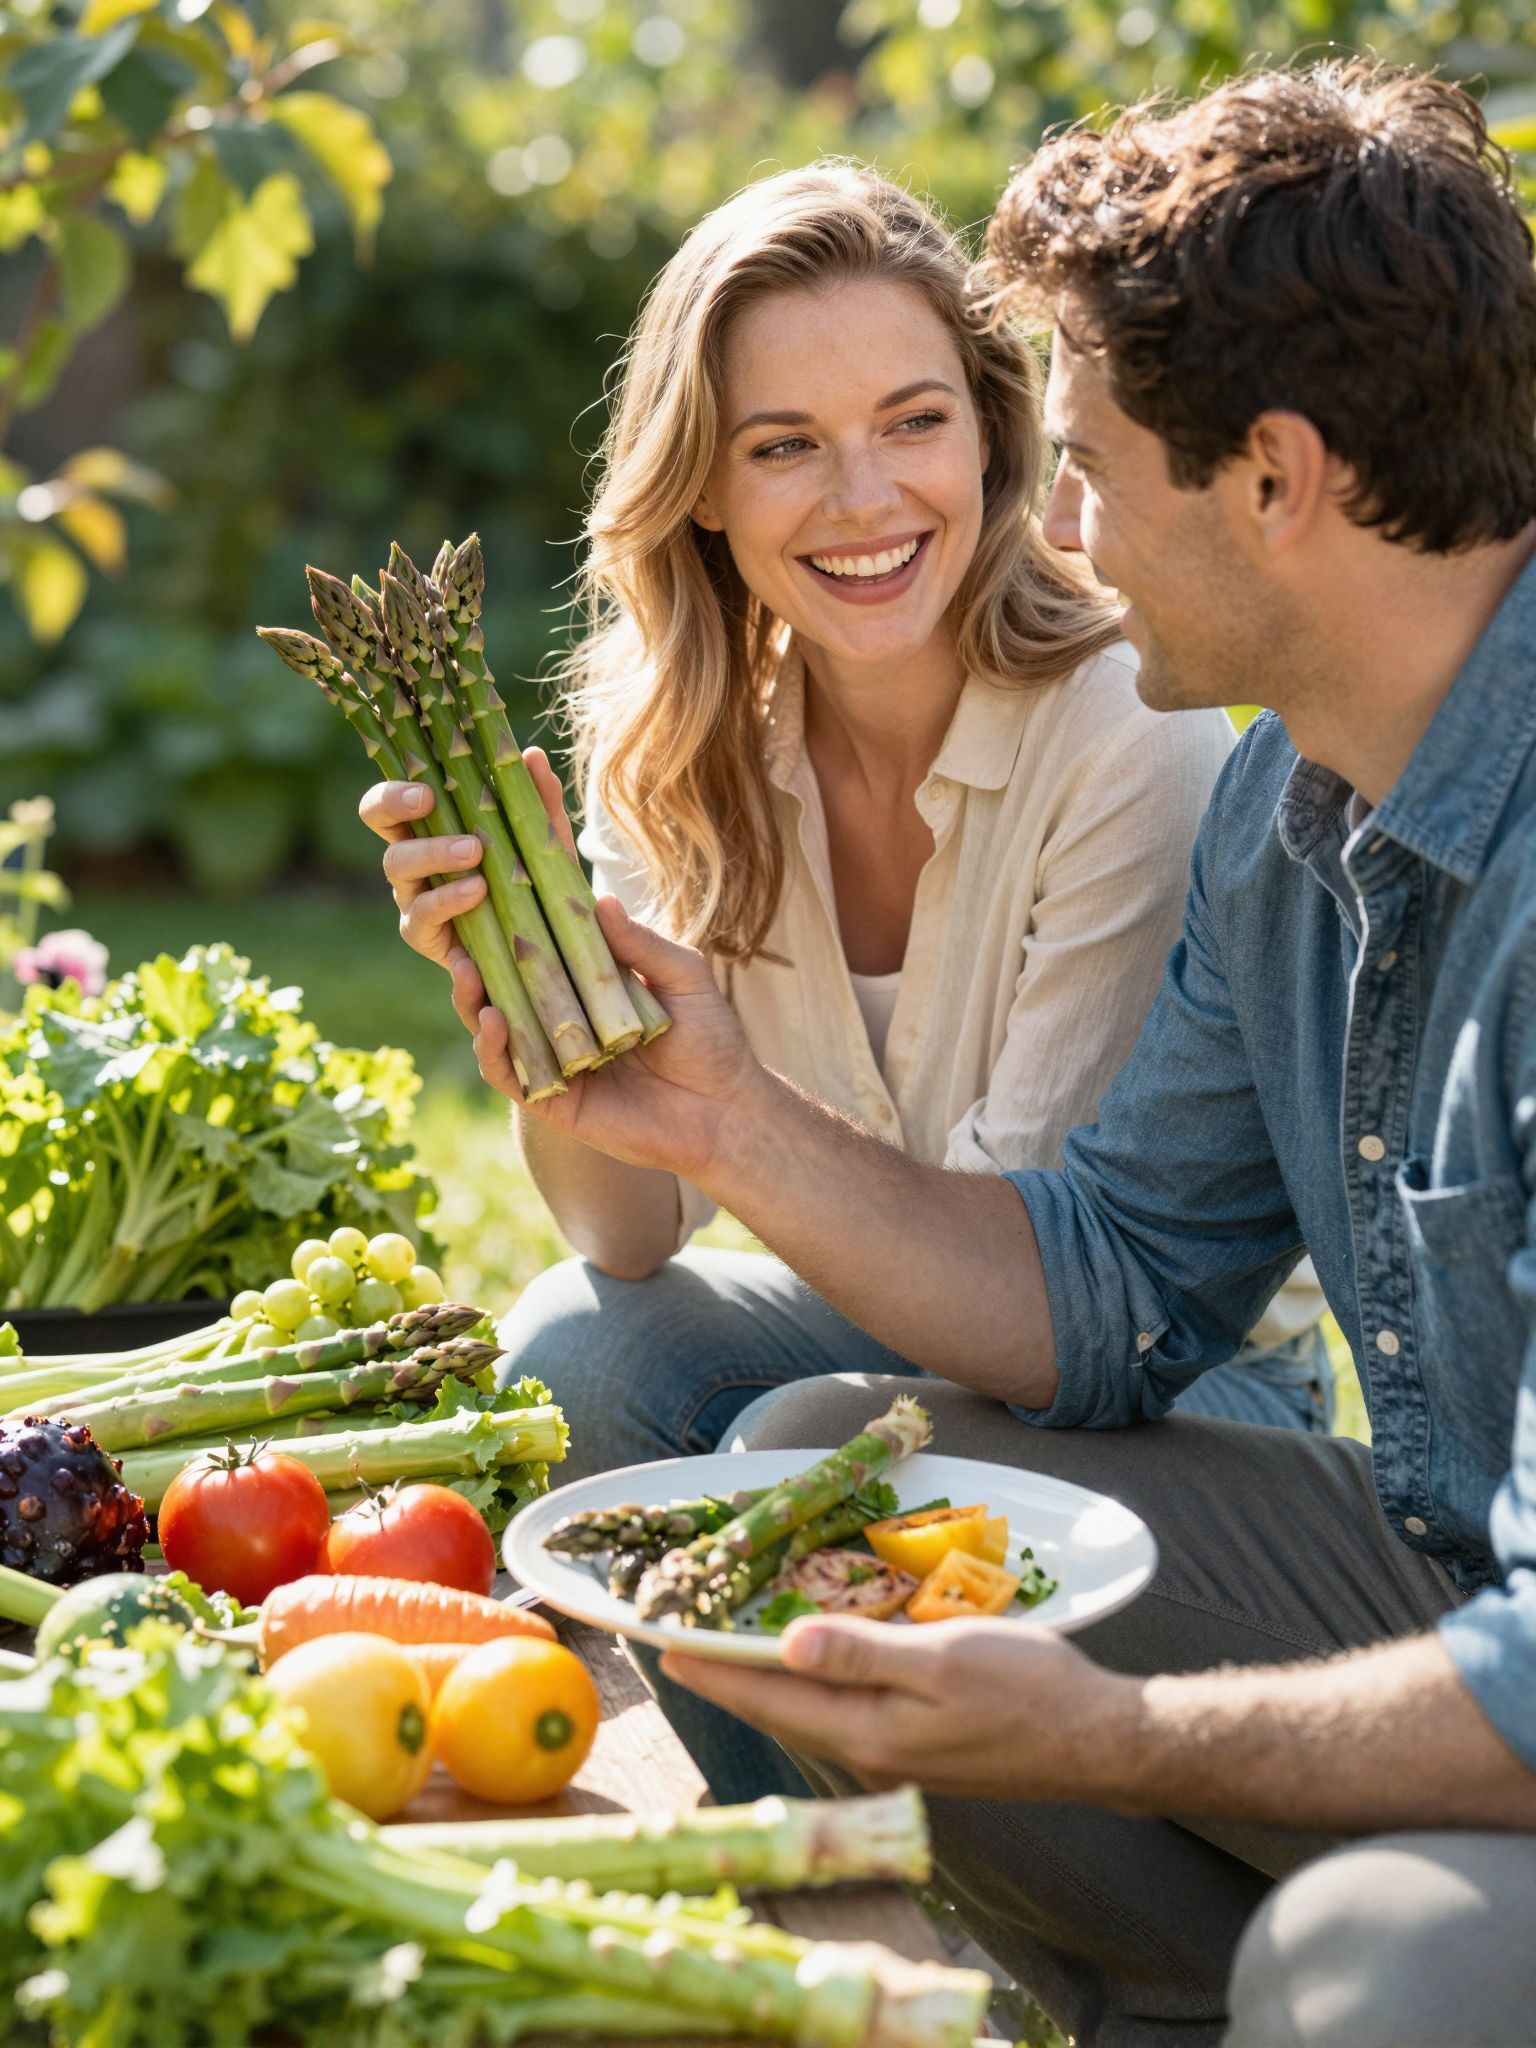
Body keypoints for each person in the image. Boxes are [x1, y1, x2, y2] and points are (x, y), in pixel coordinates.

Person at [385, 60, 1536, 2048]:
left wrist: (1119, 1726)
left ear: (1275, 477)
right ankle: (1148, 1997)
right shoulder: (1297, 832)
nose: (1052, 522)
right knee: (822, 1475)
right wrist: (713, 1108)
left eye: (1072, 457)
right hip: (1427, 1562)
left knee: (1381, 1964)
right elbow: (1097, 1289)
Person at [363, 164, 1325, 1502]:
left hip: (1173, 1381)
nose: (862, 500)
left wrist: (740, 1132)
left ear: (990, 437)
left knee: (795, 1446)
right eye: (783, 445)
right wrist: (540, 1009)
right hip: (897, 1344)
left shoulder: (1124, 728)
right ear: (700, 483)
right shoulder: (670, 749)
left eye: (911, 422)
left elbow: (1044, 1301)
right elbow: (622, 1233)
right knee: (570, 1352)